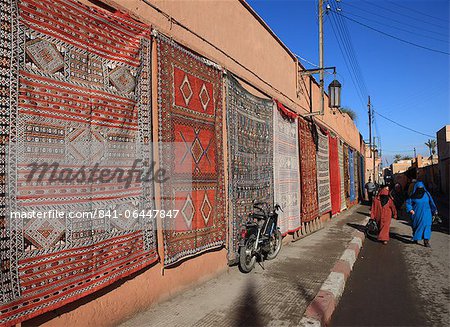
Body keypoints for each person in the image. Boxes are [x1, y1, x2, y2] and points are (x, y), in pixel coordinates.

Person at [405, 181, 438, 247]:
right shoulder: (413, 195)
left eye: (421, 187)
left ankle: (426, 241)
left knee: (427, 226)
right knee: (416, 227)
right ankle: (415, 238)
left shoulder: (427, 194)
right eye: (419, 187)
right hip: (417, 214)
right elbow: (408, 203)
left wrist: (434, 210)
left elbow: (431, 202)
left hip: (427, 214)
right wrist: (410, 209)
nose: (420, 189)